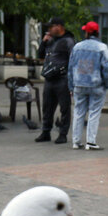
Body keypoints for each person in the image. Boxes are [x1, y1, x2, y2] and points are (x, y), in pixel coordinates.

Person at [68, 21, 108, 150]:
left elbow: (70, 68)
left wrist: (71, 86)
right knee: (94, 113)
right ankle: (91, 142)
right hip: (97, 85)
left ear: (87, 32)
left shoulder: (77, 47)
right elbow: (107, 69)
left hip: (79, 84)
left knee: (78, 112)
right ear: (97, 33)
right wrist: (106, 84)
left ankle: (76, 142)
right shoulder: (102, 48)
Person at [36, 16, 75, 144]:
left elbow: (73, 59)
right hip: (49, 79)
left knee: (64, 108)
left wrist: (71, 80)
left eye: (51, 26)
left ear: (59, 27)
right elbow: (40, 55)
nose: (49, 29)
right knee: (47, 107)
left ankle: (62, 134)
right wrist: (43, 41)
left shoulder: (68, 41)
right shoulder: (50, 40)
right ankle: (46, 132)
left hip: (62, 79)